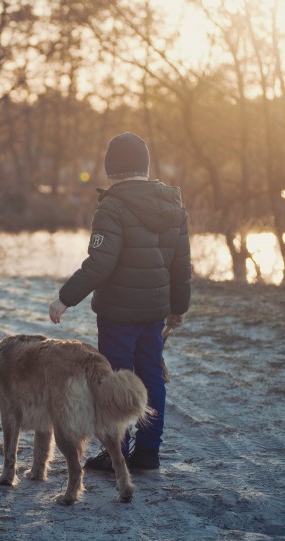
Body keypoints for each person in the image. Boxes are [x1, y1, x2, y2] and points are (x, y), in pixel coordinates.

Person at [48, 132, 191, 472]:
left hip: (118, 314)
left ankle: (117, 454)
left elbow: (100, 263)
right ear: (144, 166)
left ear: (111, 168)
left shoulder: (111, 206)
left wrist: (65, 298)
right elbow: (181, 265)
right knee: (151, 376)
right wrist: (178, 307)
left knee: (114, 379)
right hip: (154, 310)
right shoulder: (173, 205)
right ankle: (148, 453)